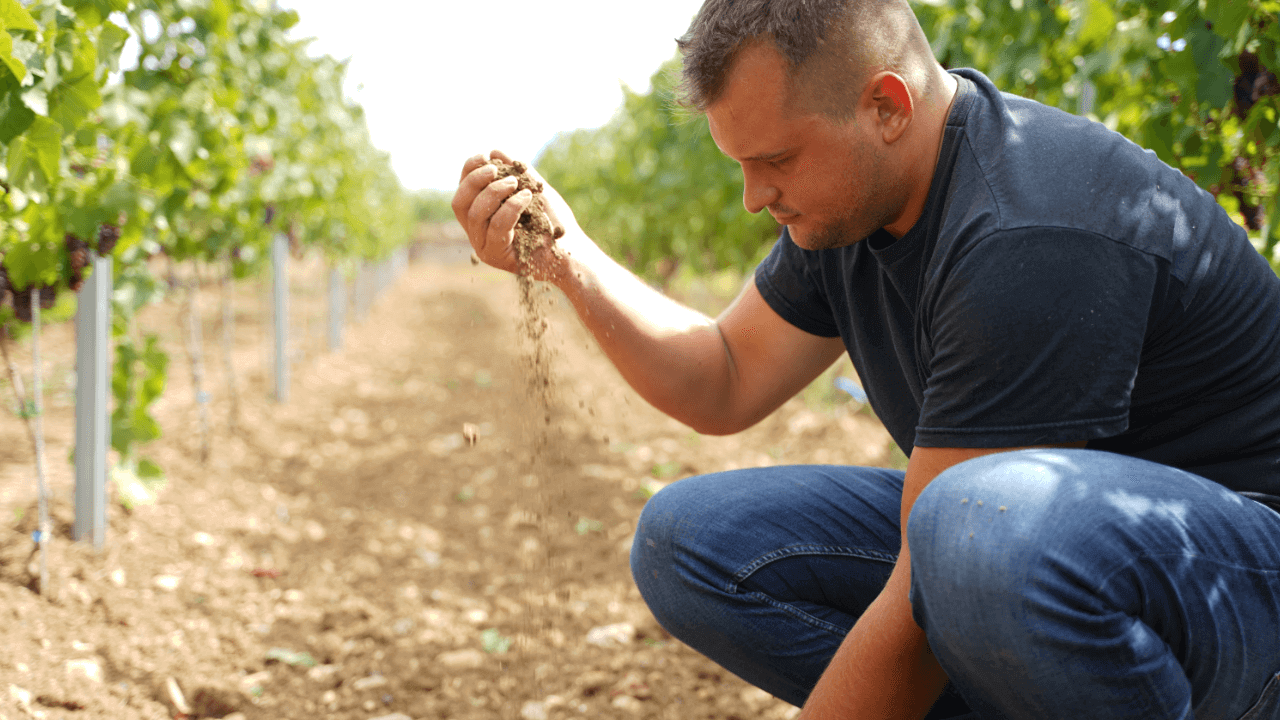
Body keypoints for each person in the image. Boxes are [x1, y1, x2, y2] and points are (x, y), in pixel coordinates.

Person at [452, 0, 1280, 717]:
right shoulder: (851, 205)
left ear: (886, 105)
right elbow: (724, 378)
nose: (752, 196)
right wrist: (566, 259)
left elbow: (922, 598)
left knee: (968, 529)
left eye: (774, 160)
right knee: (688, 541)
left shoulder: (1024, 230)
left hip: (1238, 584)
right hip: (1057, 555)